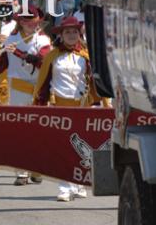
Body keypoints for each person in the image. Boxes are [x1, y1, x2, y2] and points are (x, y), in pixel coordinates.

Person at [33, 16, 109, 201]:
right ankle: (65, 187)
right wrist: (39, 106)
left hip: (83, 106)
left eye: (75, 31)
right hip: (59, 105)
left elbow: (97, 83)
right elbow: (42, 82)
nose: (71, 35)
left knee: (81, 146)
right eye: (68, 32)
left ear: (79, 34)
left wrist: (105, 104)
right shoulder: (52, 55)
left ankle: (79, 184)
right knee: (63, 147)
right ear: (61, 35)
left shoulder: (86, 55)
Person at [0, 5, 51, 185]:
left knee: (39, 130)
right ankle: (21, 172)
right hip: (18, 88)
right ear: (21, 22)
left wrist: (18, 52)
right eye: (27, 22)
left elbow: (41, 61)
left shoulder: (43, 39)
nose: (32, 25)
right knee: (20, 129)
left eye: (34, 22)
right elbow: (0, 67)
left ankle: (37, 168)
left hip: (39, 89)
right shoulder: (12, 38)